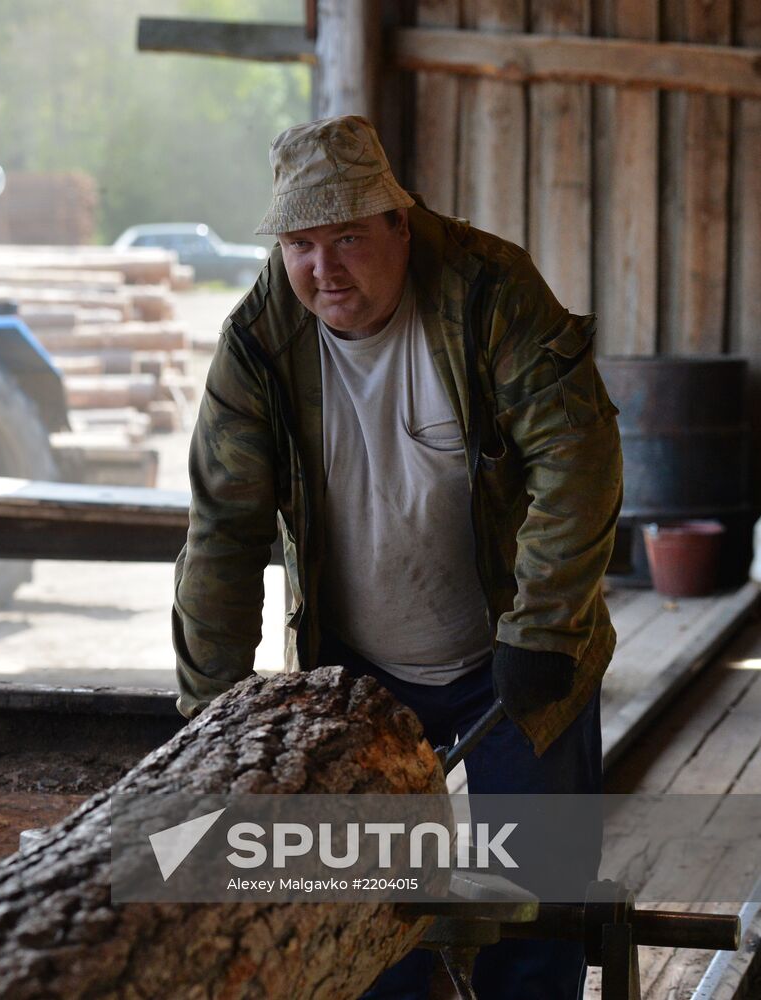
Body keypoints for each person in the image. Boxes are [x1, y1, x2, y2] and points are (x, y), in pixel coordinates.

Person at [172, 116, 623, 999]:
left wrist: (544, 629)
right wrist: (209, 711)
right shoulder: (260, 342)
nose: (324, 269)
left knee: (538, 912)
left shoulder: (490, 291)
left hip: (517, 657)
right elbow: (222, 529)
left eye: (346, 238)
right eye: (301, 243)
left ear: (398, 224)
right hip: (360, 670)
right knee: (374, 923)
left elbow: (578, 460)